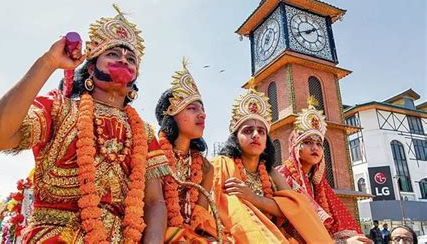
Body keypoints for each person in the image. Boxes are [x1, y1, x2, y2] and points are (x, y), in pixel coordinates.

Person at [0, 5, 169, 243]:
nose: (122, 59)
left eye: (130, 58)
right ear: (90, 68)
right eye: (112, 54)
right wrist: (48, 62)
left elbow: (154, 202)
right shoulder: (60, 108)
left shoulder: (144, 132)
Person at [212, 86, 333, 243]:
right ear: (235, 138)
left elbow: (293, 208)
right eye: (248, 131)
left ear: (266, 141)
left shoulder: (271, 173)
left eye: (261, 132)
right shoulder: (220, 165)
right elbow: (212, 208)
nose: (256, 135)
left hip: (274, 236)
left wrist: (252, 197)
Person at [278, 98, 370, 243]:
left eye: (319, 144)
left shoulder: (319, 183)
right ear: (295, 148)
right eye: (307, 142)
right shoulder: (283, 176)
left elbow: (338, 222)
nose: (315, 148)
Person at [155, 60, 221, 243]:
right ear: (170, 115)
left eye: (202, 109)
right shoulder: (152, 154)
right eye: (192, 108)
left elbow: (200, 218)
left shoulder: (206, 168)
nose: (202, 114)